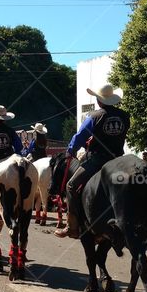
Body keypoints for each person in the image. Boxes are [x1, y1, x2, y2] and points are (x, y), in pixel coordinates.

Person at [54, 84, 130, 238]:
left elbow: (81, 136)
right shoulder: (124, 116)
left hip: (97, 159)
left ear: (99, 100)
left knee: (71, 186)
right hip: (117, 160)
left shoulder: (94, 116)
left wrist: (71, 150)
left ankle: (72, 226)